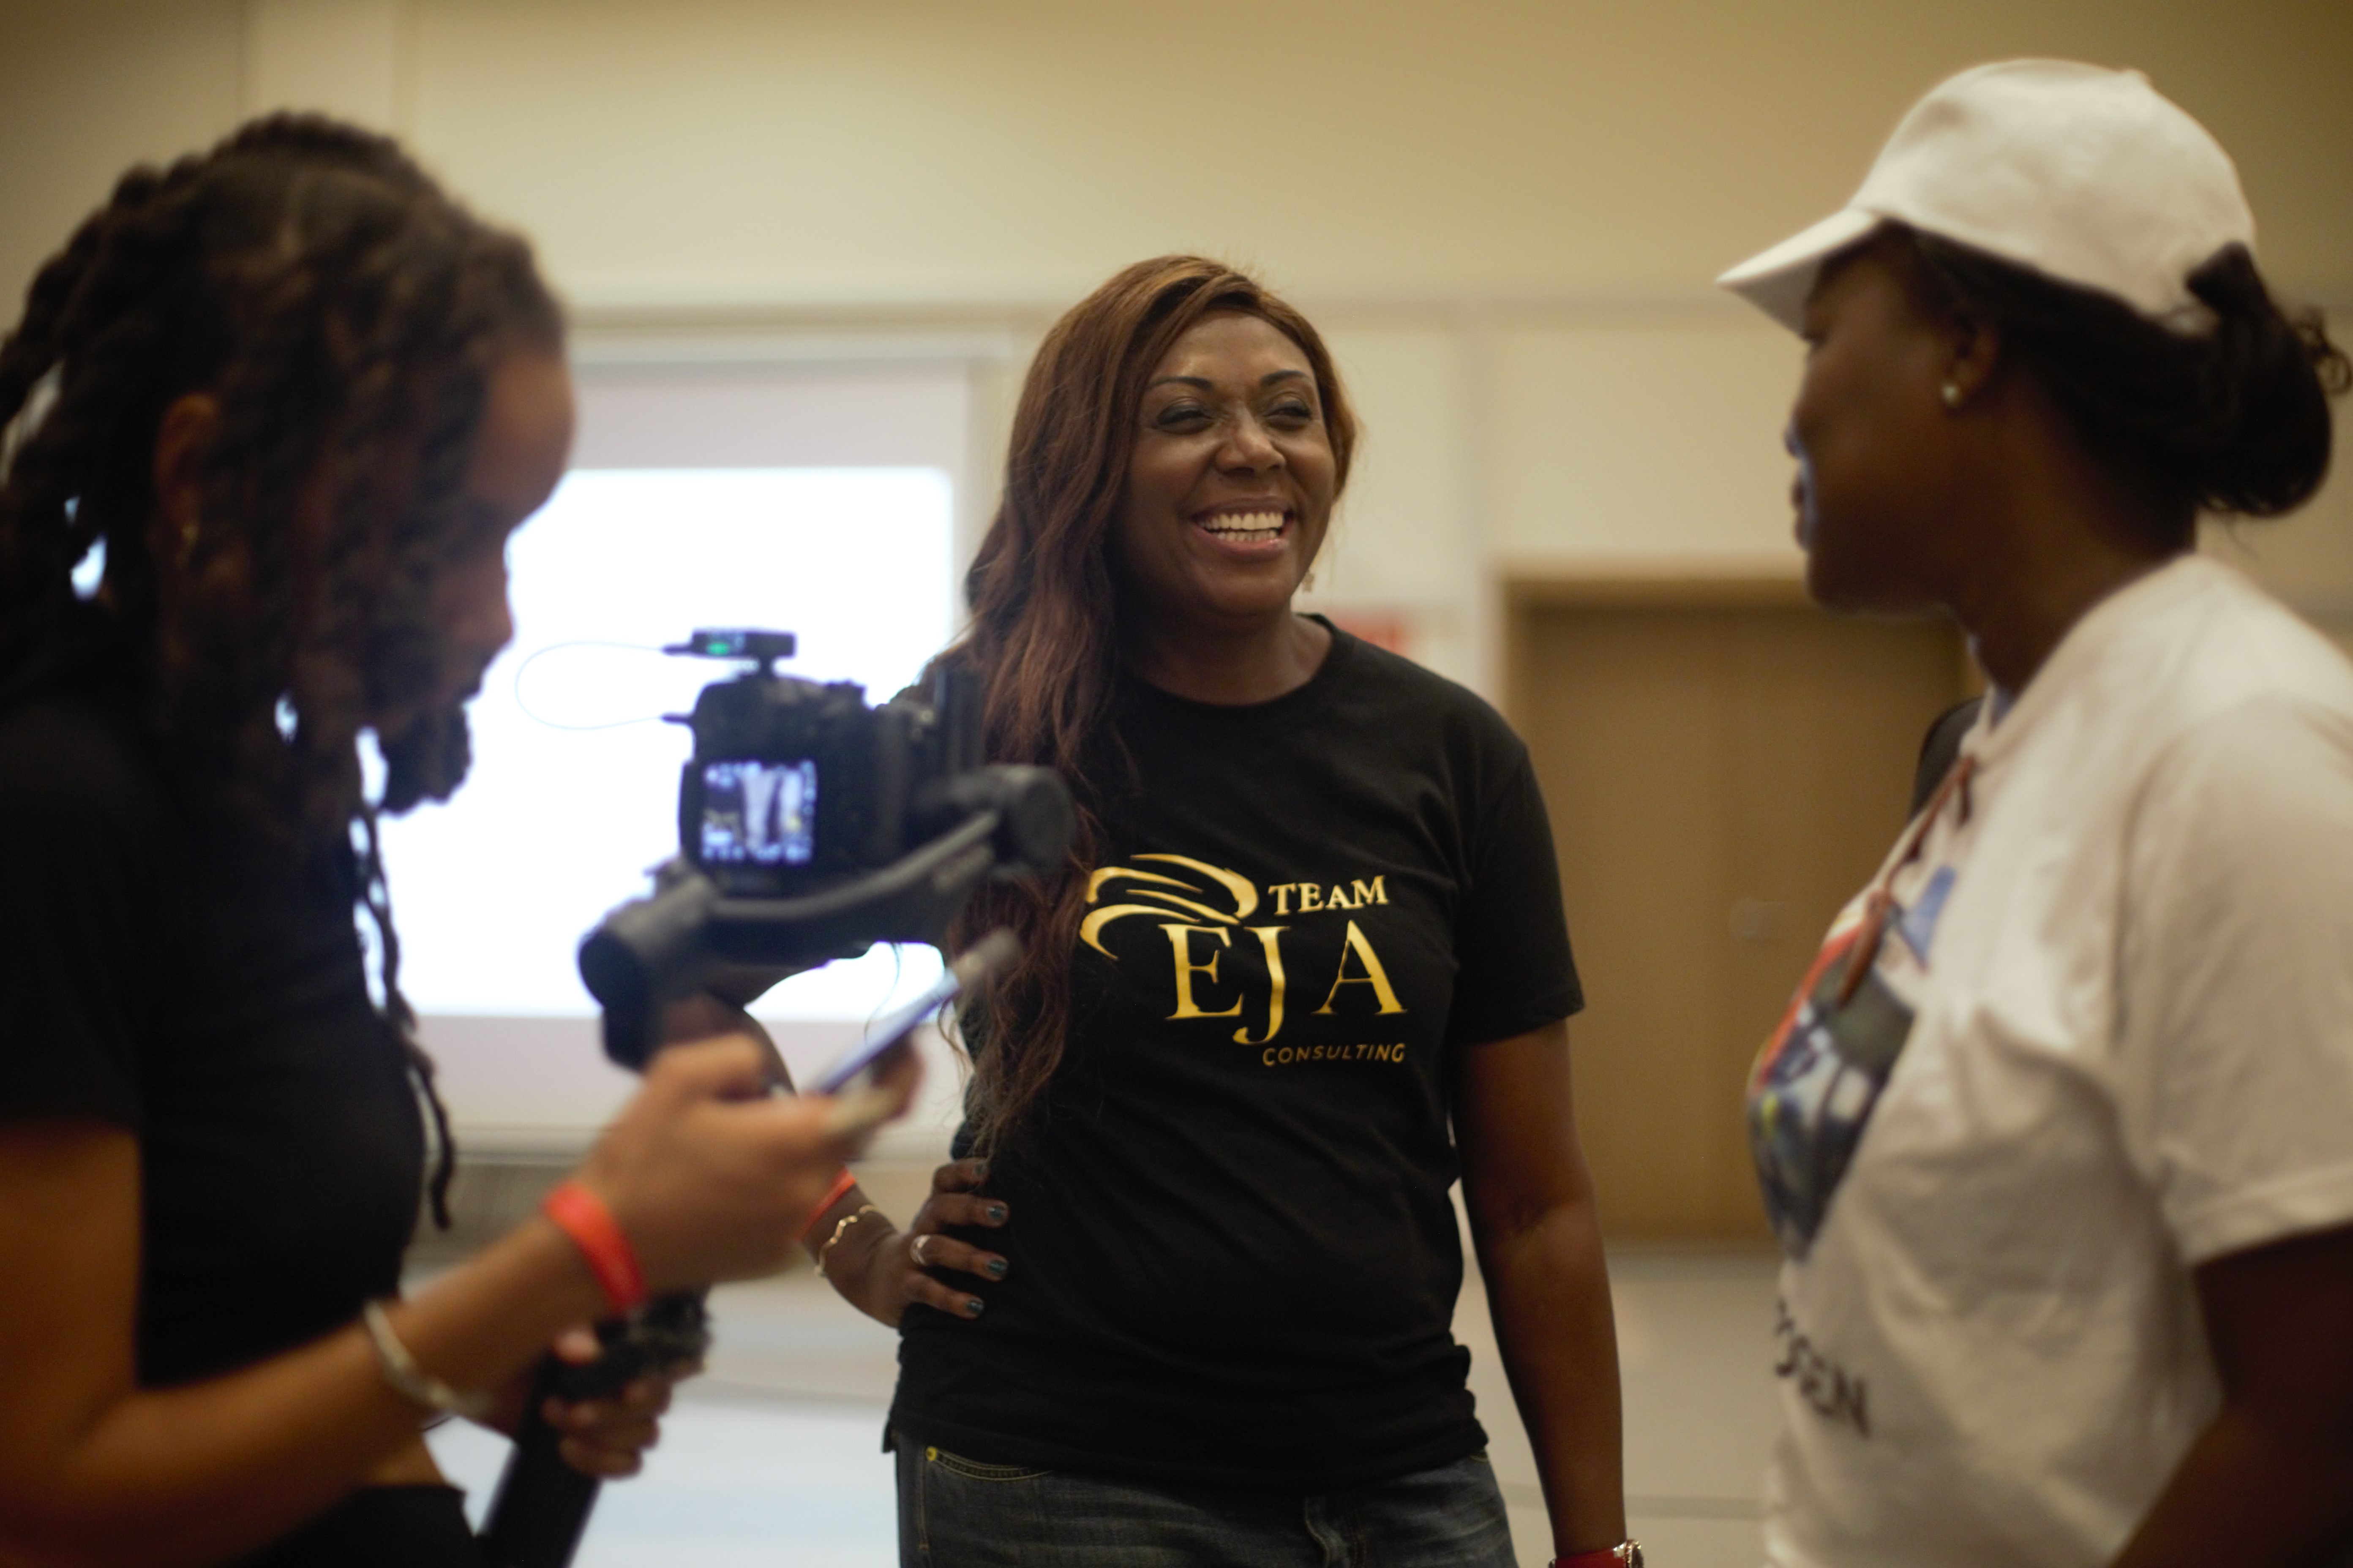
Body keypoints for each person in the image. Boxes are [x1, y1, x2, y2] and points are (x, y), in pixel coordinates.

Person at [0, 119, 907, 1567]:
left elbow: (228, 1315)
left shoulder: (256, 803)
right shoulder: (53, 815)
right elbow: (44, 1496)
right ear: (198, 475)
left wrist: (502, 1369)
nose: (491, 616)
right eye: (446, 536)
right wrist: (580, 1256)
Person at [791, 256, 1634, 1568]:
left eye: (1288, 413)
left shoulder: (1448, 752)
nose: (1252, 450)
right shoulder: (983, 731)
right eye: (1185, 417)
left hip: (1403, 1477)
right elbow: (677, 986)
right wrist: (854, 1246)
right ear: (1088, 468)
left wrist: (1597, 1551)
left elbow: (1533, 1207)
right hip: (1056, 1484)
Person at [1719, 60, 2353, 1567]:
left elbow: (2323, 1422)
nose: (1790, 410)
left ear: (1966, 343)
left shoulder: (2235, 753)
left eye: (1817, 340)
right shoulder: (2015, 726)